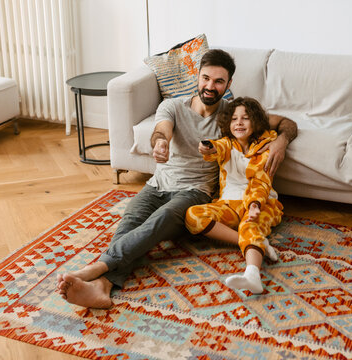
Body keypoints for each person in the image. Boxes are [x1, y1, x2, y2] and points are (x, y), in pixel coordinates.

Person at [56, 49, 297, 308]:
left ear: (228, 84)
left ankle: (95, 269)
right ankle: (103, 286)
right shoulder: (172, 105)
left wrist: (281, 142)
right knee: (131, 221)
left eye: (218, 81)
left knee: (156, 223)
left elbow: (286, 122)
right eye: (206, 78)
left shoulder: (231, 115)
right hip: (158, 183)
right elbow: (162, 130)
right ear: (197, 76)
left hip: (195, 191)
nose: (210, 86)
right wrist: (161, 143)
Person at [185, 97, 283, 294]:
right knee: (192, 215)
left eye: (245, 118)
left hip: (262, 203)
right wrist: (208, 147)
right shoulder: (227, 144)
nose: (239, 123)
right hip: (229, 205)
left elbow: (260, 181)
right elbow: (217, 148)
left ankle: (252, 275)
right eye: (234, 119)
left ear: (255, 122)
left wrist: (254, 205)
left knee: (250, 225)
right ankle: (255, 243)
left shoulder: (265, 146)